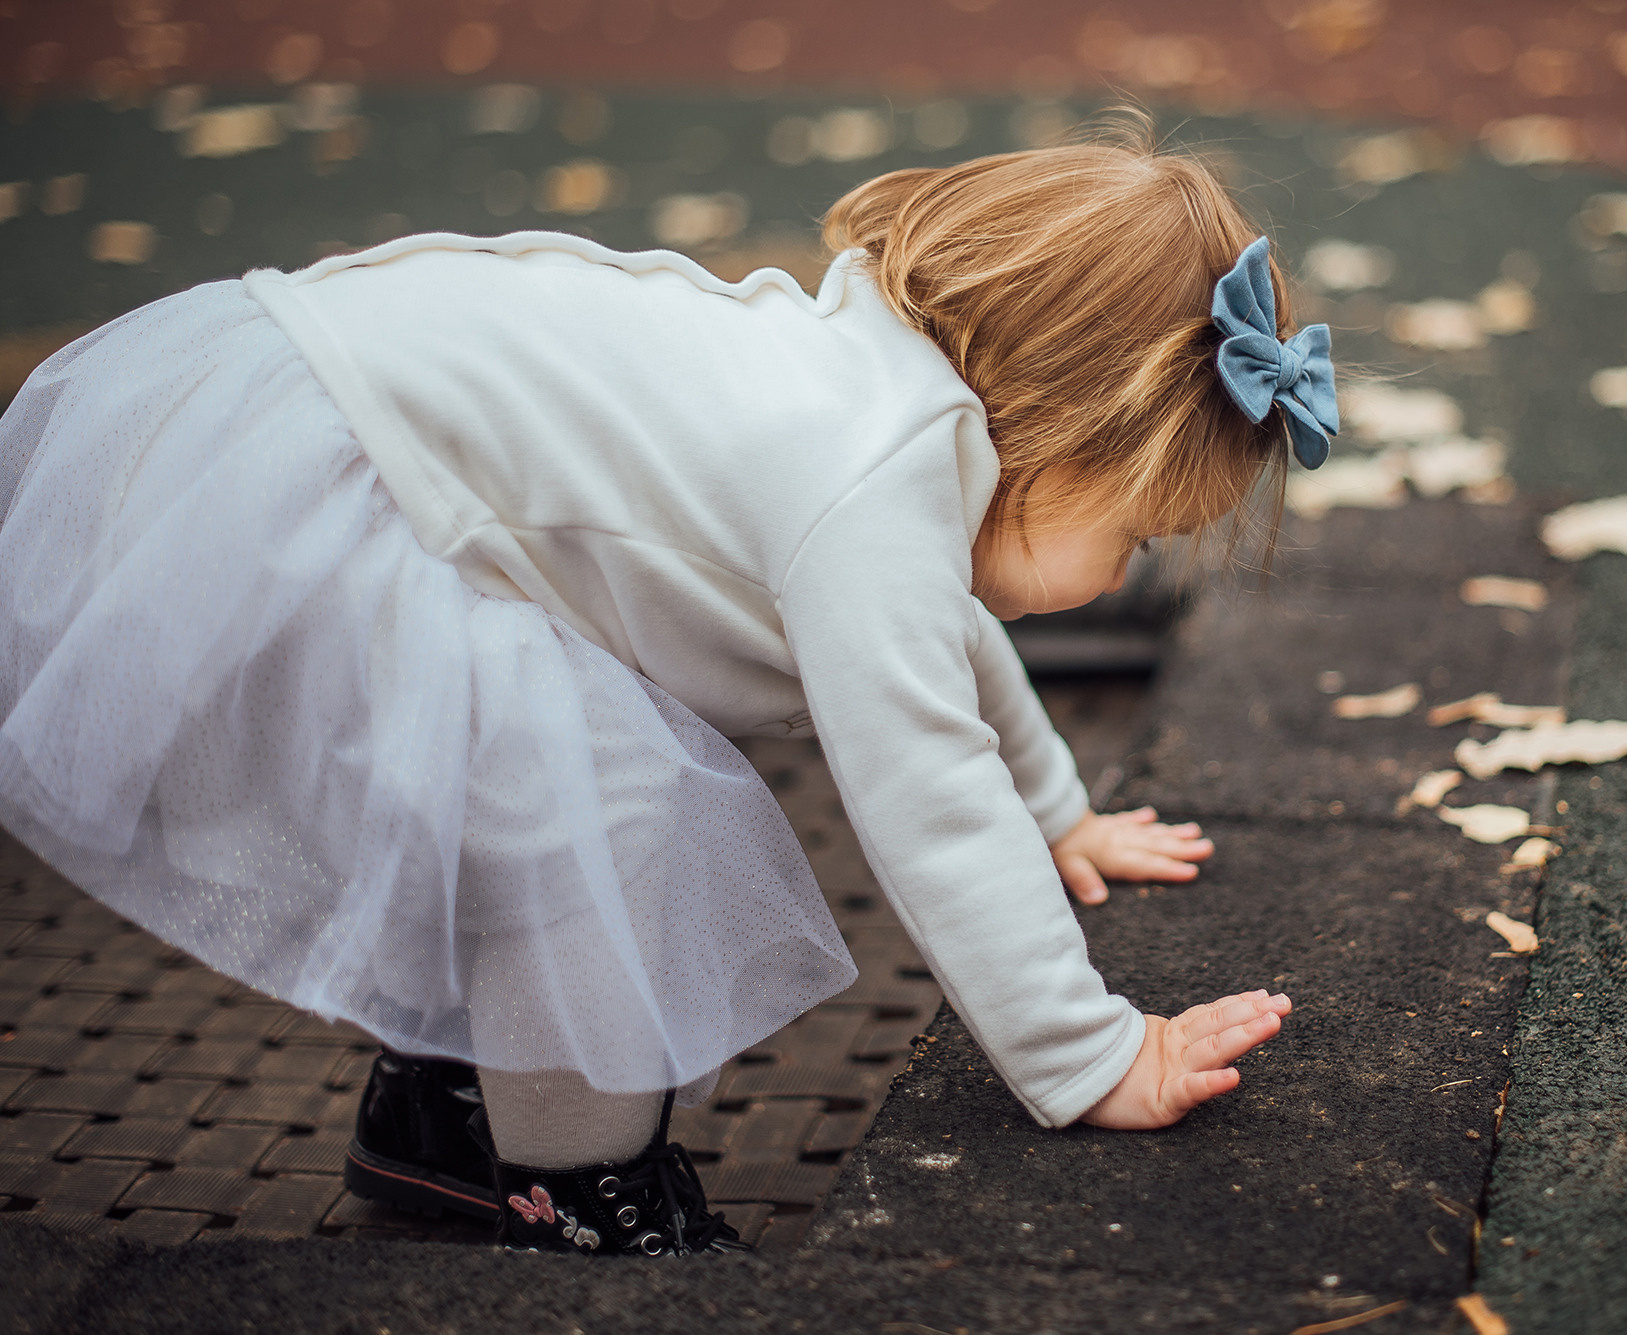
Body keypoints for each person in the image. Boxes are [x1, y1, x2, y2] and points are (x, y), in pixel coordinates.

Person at [0, 119, 1336, 1257]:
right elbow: (930, 794)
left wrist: (1054, 806)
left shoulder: (892, 411)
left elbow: (947, 639)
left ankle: (444, 1114)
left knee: (537, 797)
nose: (1127, 572)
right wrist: (1088, 1052)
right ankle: (568, 1186)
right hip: (307, 501)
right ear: (1057, 435)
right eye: (1139, 533)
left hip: (318, 419)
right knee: (609, 814)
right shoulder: (867, 488)